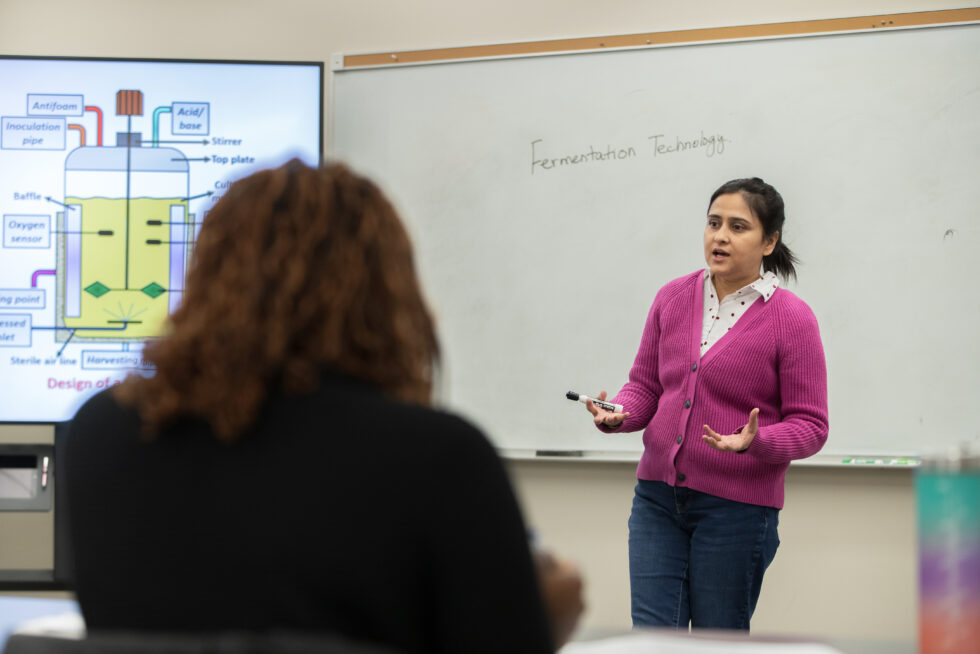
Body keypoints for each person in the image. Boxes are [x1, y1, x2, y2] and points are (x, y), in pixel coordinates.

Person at [65, 159, 583, 653]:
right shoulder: (438, 458)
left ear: (208, 275)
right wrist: (548, 613)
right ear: (387, 292)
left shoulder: (102, 436)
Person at [582, 177, 828, 631]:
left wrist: (758, 440)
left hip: (737, 510)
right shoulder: (672, 297)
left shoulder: (792, 319)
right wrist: (618, 413)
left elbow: (812, 426)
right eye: (714, 223)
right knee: (654, 638)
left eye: (738, 227)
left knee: (719, 641)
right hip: (657, 499)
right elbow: (645, 386)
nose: (720, 236)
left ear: (769, 241)